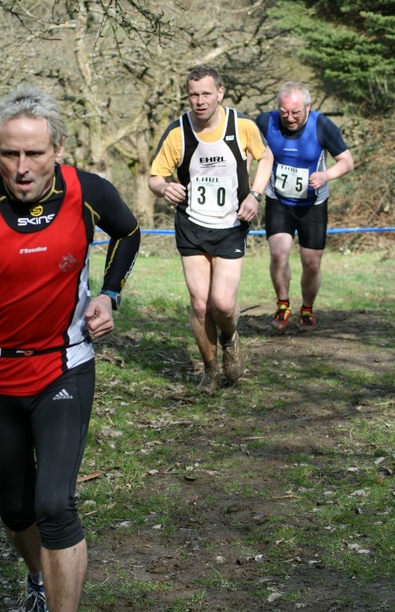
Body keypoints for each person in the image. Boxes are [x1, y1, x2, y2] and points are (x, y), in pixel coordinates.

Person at [0, 84, 140, 611]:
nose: (21, 168)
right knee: (16, 508)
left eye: (34, 153)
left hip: (63, 365)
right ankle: (38, 578)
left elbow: (128, 232)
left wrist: (109, 294)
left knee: (54, 504)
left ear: (57, 148)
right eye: (9, 154)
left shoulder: (86, 191)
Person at [149, 65, 273, 394]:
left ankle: (230, 337)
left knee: (223, 304)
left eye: (206, 93)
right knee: (200, 304)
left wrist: (255, 195)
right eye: (193, 95)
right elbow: (155, 177)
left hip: (231, 224)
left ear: (220, 92)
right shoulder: (177, 132)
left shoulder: (241, 125)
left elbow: (266, 157)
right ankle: (210, 370)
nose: (200, 101)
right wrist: (164, 188)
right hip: (191, 223)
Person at [255, 81, 354, 332]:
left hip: (313, 204)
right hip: (279, 201)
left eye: (295, 112)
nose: (289, 118)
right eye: (284, 112)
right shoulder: (265, 122)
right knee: (278, 255)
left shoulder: (322, 125)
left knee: (311, 263)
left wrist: (326, 175)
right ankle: (283, 305)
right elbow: (247, 152)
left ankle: (307, 310)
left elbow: (347, 162)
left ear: (308, 107)